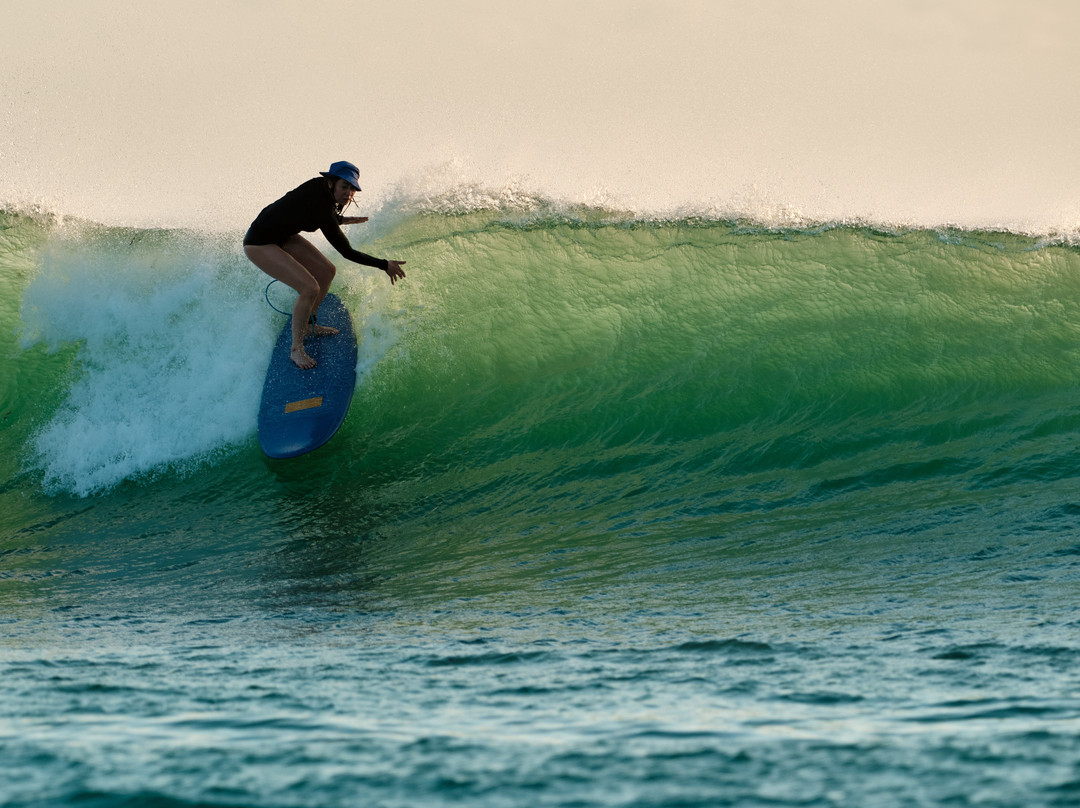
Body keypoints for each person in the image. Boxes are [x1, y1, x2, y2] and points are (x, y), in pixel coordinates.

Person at [244, 161, 406, 369]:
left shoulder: (323, 194)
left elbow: (312, 214)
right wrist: (384, 265)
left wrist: (340, 220)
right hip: (259, 242)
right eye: (344, 186)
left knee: (327, 271)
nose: (348, 193)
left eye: (352, 189)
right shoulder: (320, 200)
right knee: (309, 287)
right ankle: (296, 349)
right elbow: (346, 251)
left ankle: (308, 324)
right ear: (331, 182)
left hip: (282, 235)